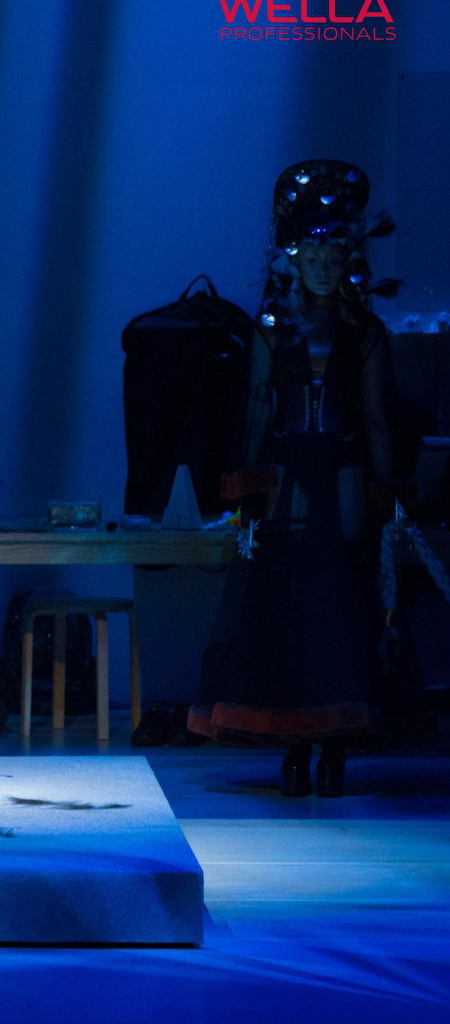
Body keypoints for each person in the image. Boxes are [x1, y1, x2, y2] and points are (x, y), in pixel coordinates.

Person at [189, 160, 398, 798]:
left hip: (343, 469)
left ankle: (333, 746)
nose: (324, 267)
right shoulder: (271, 331)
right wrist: (243, 479)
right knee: (284, 605)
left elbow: (376, 416)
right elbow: (257, 405)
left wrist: (388, 485)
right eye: (314, 255)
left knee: (343, 603)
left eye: (334, 256)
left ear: (348, 259)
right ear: (294, 259)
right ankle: (294, 746)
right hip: (285, 475)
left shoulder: (366, 332)